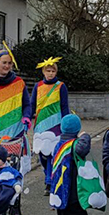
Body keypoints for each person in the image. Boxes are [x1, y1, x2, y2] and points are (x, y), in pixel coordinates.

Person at [49, 114, 106, 215]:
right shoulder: (73, 145)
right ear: (77, 129)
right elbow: (82, 148)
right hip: (72, 195)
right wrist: (86, 135)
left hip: (59, 194)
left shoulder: (59, 145)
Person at [31, 57, 70, 196]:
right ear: (43, 71)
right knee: (42, 153)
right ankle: (48, 175)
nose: (50, 73)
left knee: (53, 153)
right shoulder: (38, 86)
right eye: (48, 70)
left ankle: (49, 181)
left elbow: (65, 106)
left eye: (53, 70)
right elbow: (32, 104)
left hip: (56, 125)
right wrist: (28, 118)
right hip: (41, 124)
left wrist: (67, 124)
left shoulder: (61, 86)